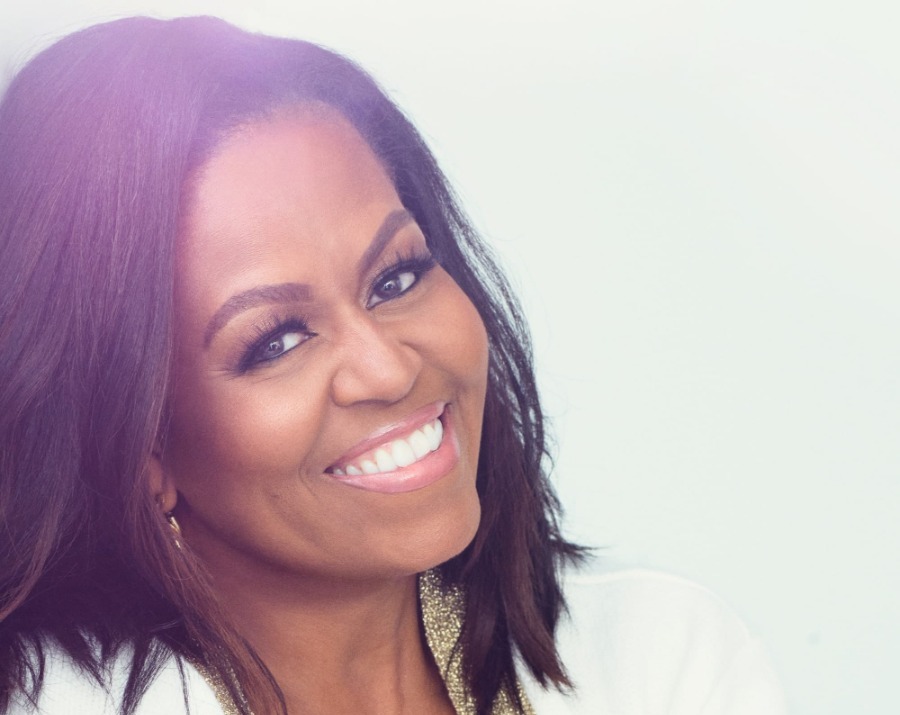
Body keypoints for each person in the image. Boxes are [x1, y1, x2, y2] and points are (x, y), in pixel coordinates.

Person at [0, 15, 786, 715]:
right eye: (277, 340)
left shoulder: (663, 662)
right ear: (142, 449)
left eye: (397, 277)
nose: (387, 369)